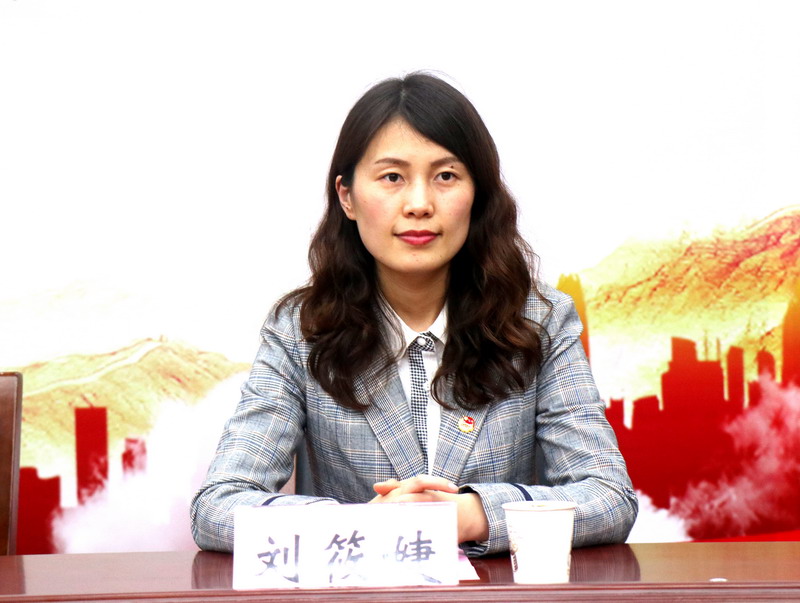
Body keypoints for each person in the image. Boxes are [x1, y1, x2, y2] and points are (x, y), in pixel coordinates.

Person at [190, 72, 637, 557]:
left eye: (445, 176)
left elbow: (609, 496)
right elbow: (217, 508)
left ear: (478, 194)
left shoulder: (538, 320)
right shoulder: (302, 330)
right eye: (392, 178)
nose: (420, 204)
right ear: (347, 197)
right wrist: (361, 524)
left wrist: (474, 514)